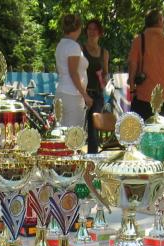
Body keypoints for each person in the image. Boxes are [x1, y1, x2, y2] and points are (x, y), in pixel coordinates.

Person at [127, 9, 164, 121]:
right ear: (160, 21)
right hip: (163, 96)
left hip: (142, 95)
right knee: (161, 130)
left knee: (139, 129)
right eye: (163, 20)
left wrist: (132, 88)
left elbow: (132, 65)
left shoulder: (138, 40)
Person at [55, 14, 91, 129]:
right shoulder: (73, 46)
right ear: (78, 28)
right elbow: (73, 72)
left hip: (61, 92)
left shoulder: (60, 45)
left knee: (61, 131)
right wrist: (85, 95)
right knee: (74, 134)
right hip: (73, 95)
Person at [83, 18, 109, 154]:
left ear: (100, 32)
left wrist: (103, 77)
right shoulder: (80, 49)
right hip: (82, 93)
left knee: (93, 129)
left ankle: (92, 160)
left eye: (95, 29)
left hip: (97, 95)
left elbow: (106, 74)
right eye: (89, 29)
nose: (92, 32)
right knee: (79, 127)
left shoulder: (104, 52)